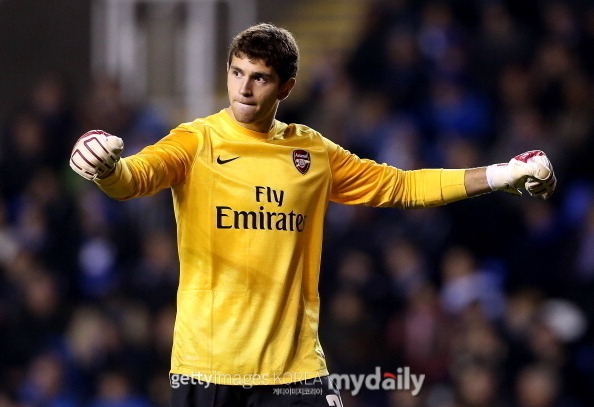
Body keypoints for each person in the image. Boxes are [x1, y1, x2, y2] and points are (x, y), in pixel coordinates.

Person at [69, 23, 556, 407]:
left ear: (286, 87)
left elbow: (402, 186)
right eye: (237, 72)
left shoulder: (312, 154)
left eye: (259, 77)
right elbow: (134, 179)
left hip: (295, 371)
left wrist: (499, 174)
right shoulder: (196, 141)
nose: (244, 88)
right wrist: (106, 168)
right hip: (207, 368)